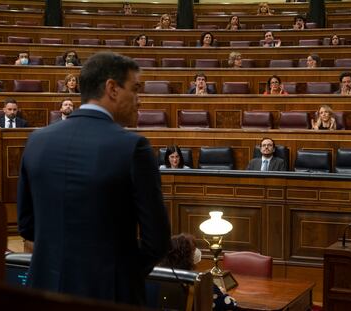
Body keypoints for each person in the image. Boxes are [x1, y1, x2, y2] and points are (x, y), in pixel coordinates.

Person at [17, 52, 171, 304]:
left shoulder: (36, 141)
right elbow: (157, 241)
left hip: (43, 289)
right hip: (108, 295)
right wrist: (122, 275)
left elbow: (26, 225)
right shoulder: (134, 147)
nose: (139, 100)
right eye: (135, 89)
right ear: (112, 88)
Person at [160, 233, 237, 310]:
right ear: (189, 257)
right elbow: (230, 304)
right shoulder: (200, 280)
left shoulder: (159, 277)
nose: (196, 252)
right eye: (193, 250)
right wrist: (222, 293)